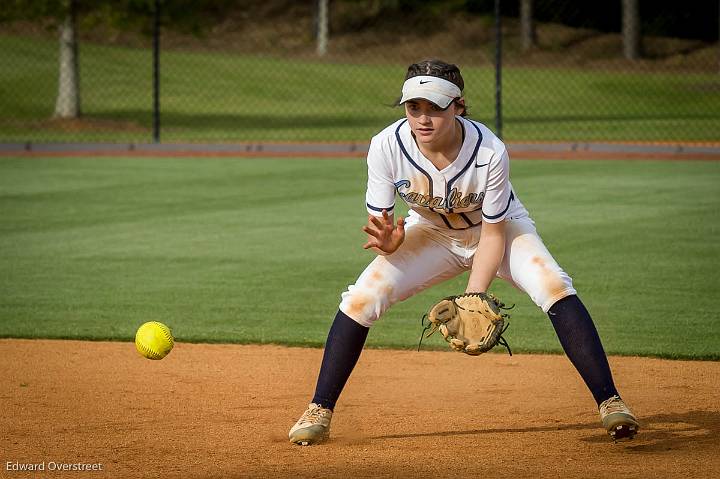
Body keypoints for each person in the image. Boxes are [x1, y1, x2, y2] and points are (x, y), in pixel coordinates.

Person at [288, 59, 639, 446]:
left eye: (435, 107)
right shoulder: (387, 145)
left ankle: (610, 401)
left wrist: (475, 294)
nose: (423, 118)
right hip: (431, 232)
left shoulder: (489, 150)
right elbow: (385, 225)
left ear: (458, 106)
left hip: (499, 230)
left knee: (553, 284)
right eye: (413, 107)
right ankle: (319, 409)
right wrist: (391, 244)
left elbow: (492, 234)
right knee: (360, 299)